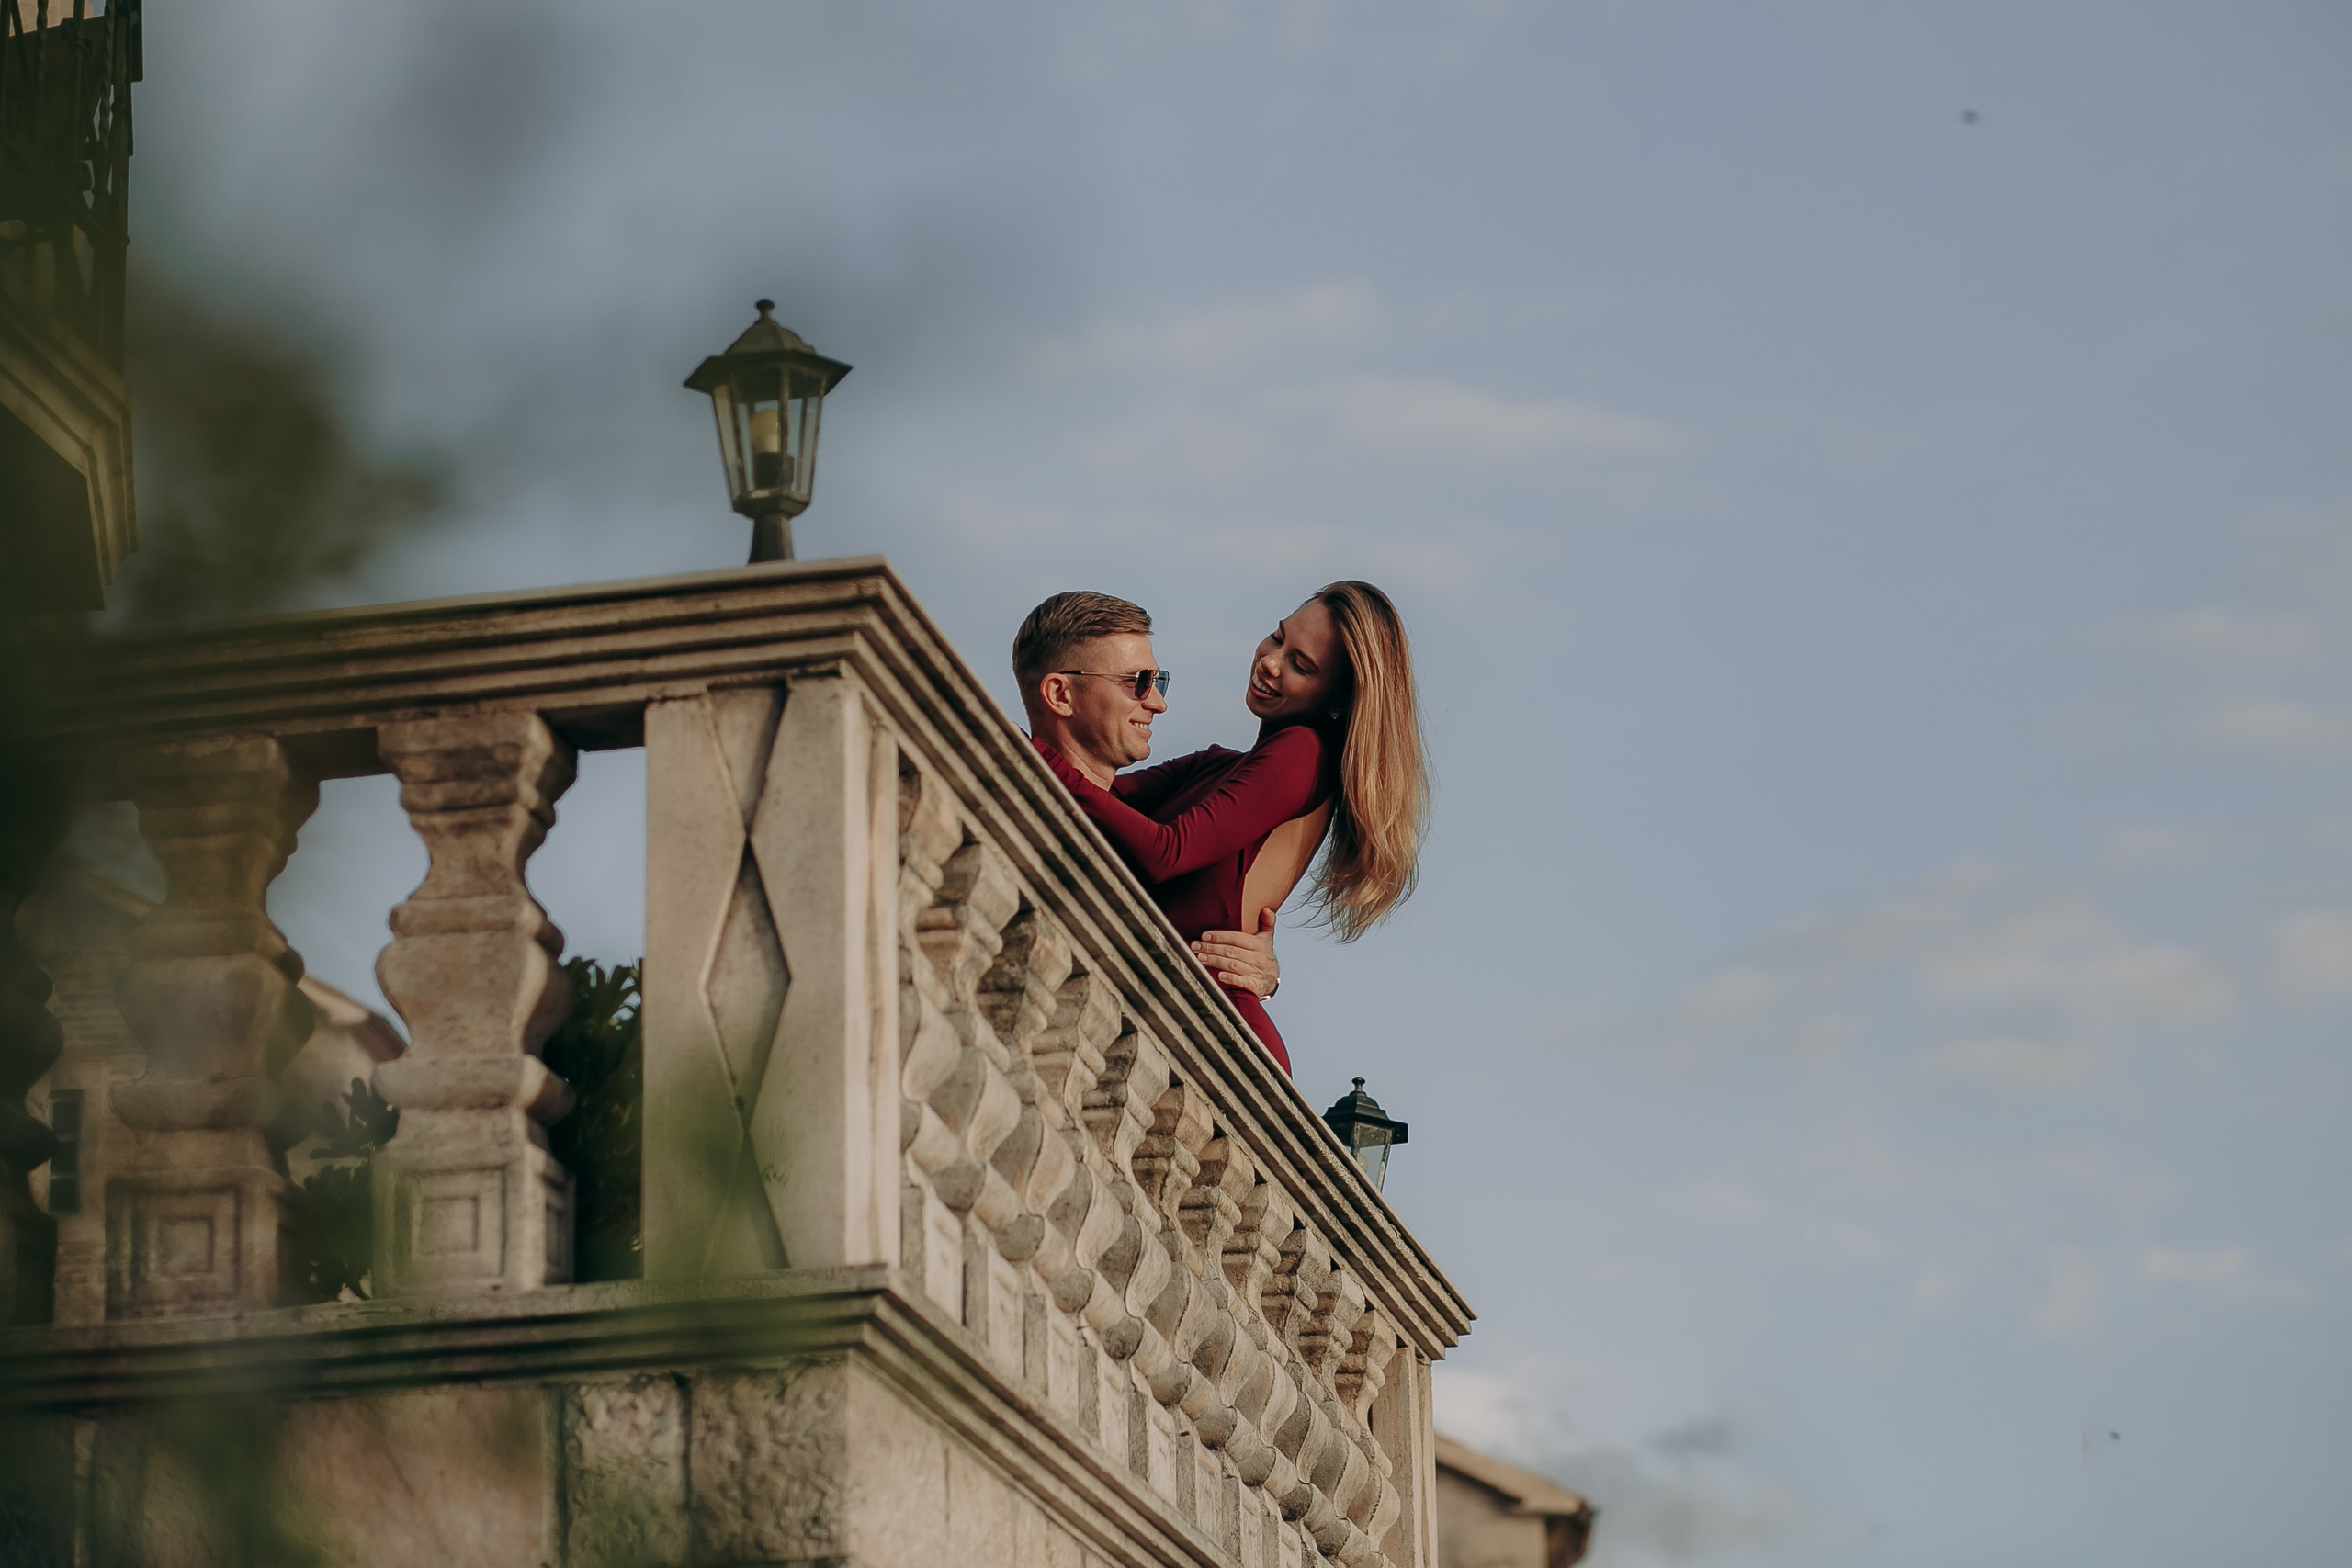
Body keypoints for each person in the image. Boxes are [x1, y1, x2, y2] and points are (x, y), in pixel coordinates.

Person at [1014, 583, 1430, 1075]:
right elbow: (1098, 802)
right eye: (1278, 638)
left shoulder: (1303, 752)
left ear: (1337, 699)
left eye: (1302, 665)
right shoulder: (1217, 766)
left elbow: (1166, 853)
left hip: (1222, 1031)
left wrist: (1026, 751)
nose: (1272, 662)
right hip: (1169, 1013)